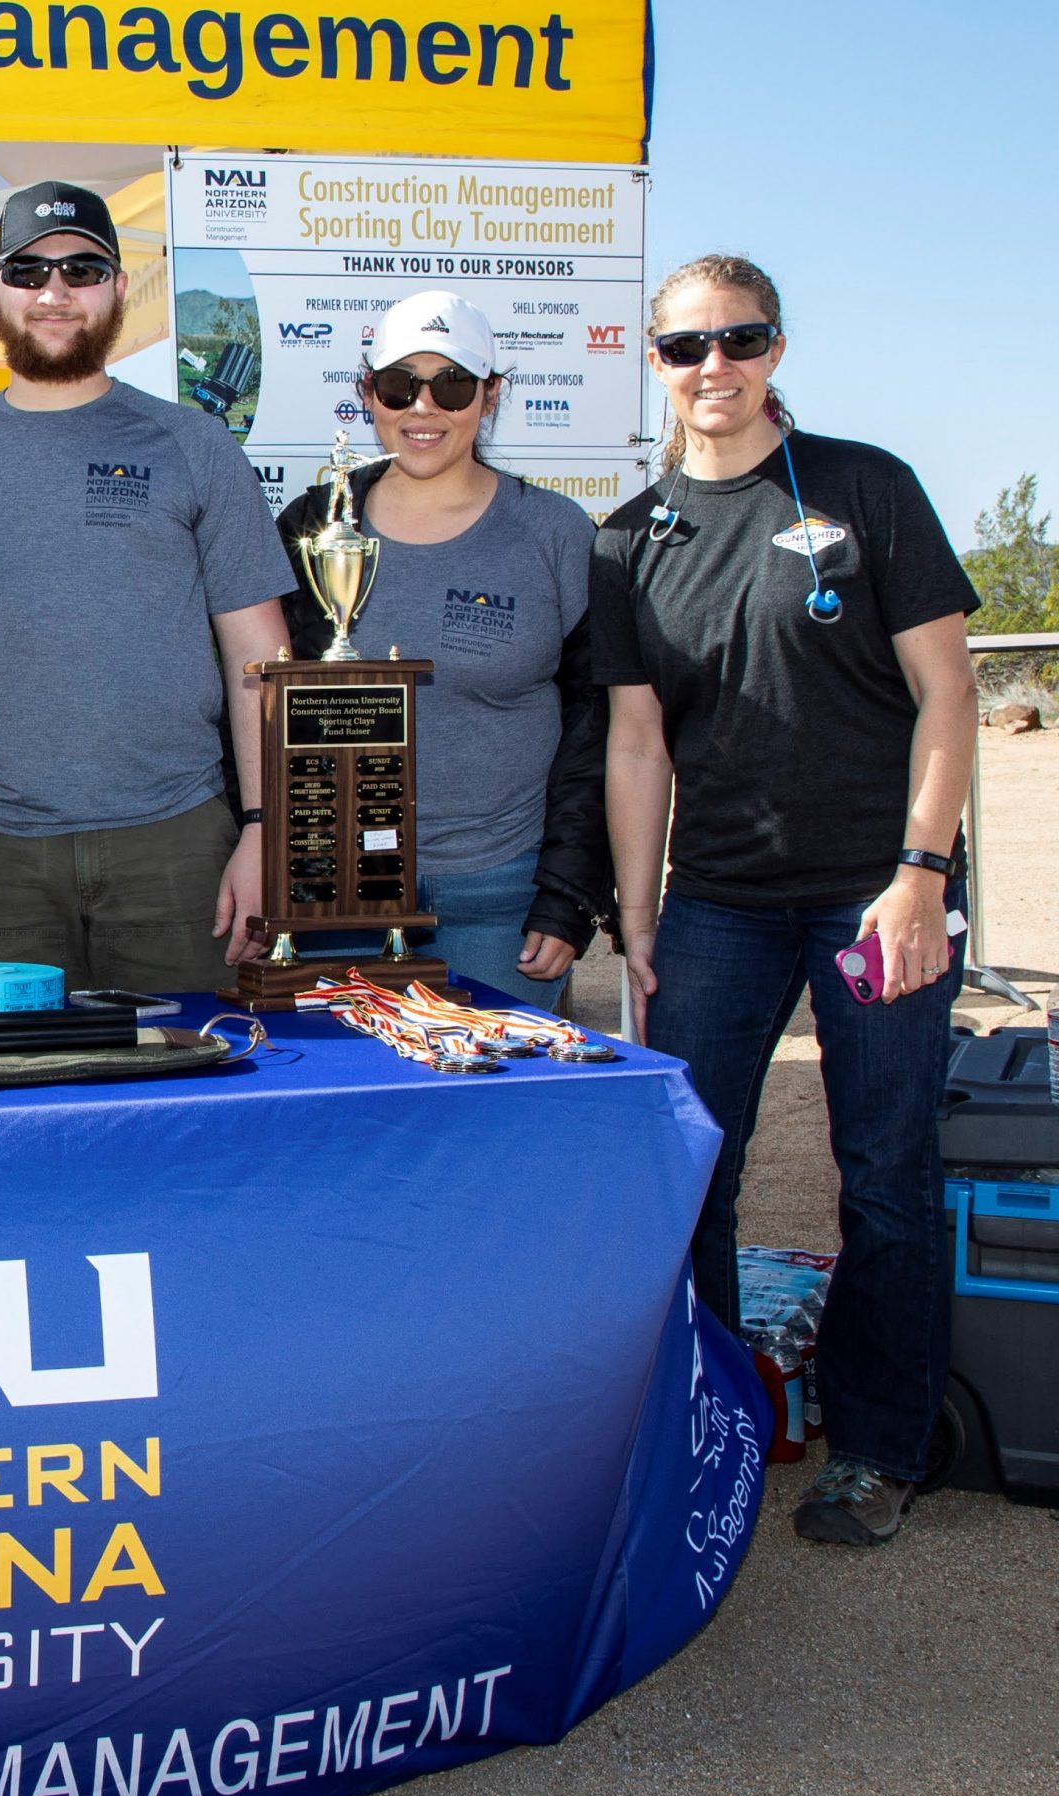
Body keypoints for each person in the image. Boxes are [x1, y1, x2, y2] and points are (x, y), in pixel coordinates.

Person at [592, 254, 978, 1549]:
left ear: (775, 350)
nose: (714, 368)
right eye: (685, 347)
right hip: (720, 904)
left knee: (886, 1174)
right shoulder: (629, 540)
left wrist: (921, 878)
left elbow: (949, 693)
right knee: (693, 1166)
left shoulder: (865, 487)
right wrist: (639, 917)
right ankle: (711, 1418)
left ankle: (876, 1449)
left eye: (740, 340)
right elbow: (636, 742)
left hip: (880, 900)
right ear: (654, 360)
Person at [0, 181, 293, 992]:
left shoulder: (195, 445)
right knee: (13, 1075)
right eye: (28, 271)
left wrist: (263, 827)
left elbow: (259, 654)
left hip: (178, 846)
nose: (55, 292)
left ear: (118, 289)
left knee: (194, 1064)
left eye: (82, 269)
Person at [275, 291, 610, 1001]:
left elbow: (598, 722)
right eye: (400, 386)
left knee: (493, 1076)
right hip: (338, 891)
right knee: (350, 1075)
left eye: (452, 385)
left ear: (491, 395)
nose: (423, 407)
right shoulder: (315, 527)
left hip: (500, 893)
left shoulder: (555, 532)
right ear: (368, 394)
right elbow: (263, 709)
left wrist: (569, 889)